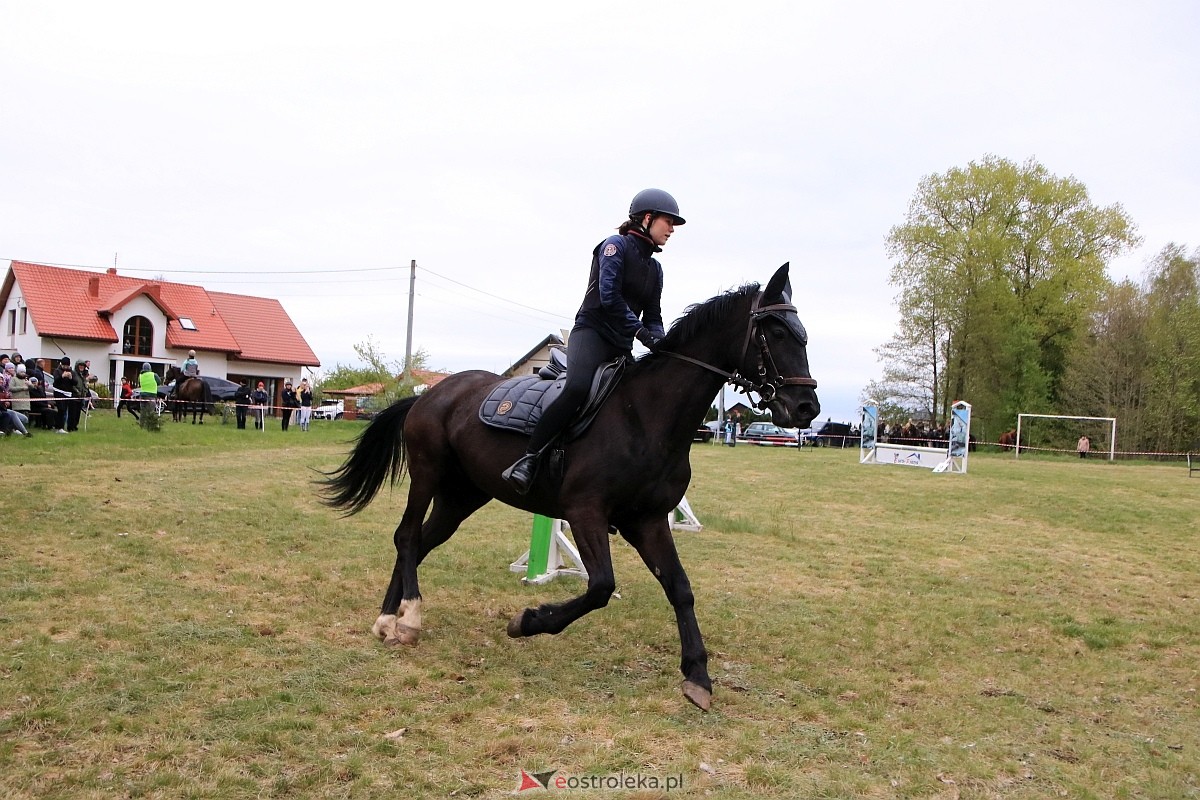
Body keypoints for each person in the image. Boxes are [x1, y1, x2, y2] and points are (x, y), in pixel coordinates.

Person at [502, 188, 683, 493]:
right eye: (668, 221)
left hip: (620, 346)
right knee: (576, 389)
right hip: (591, 334)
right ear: (647, 218)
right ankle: (529, 459)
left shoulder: (655, 268)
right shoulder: (614, 247)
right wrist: (641, 333)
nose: (672, 228)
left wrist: (662, 344)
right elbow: (609, 298)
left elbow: (653, 314)